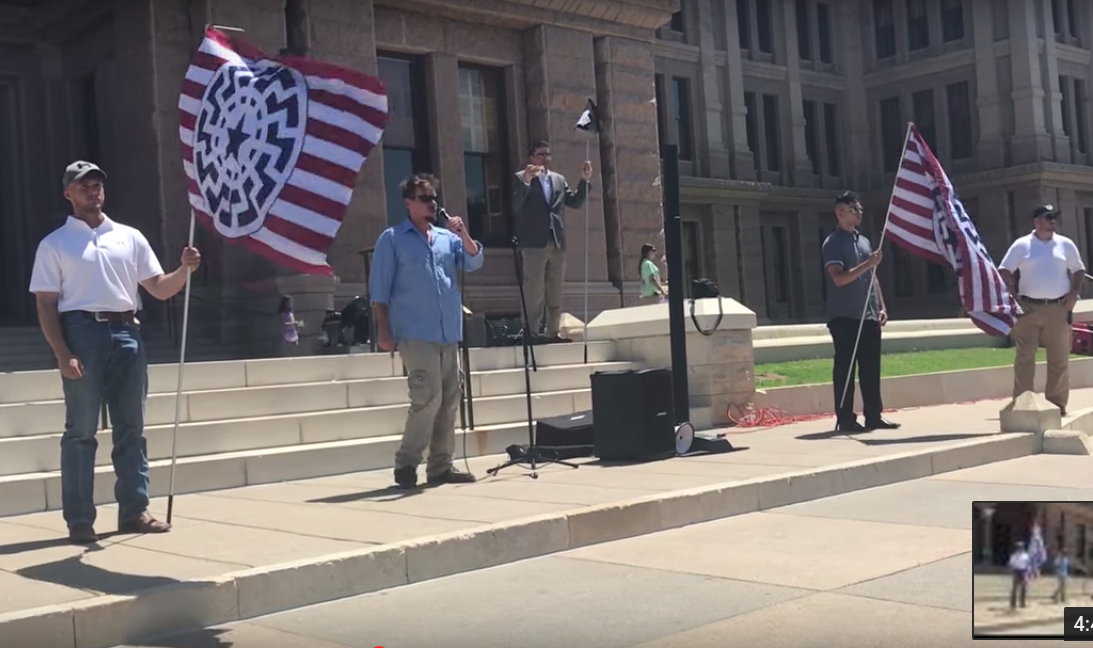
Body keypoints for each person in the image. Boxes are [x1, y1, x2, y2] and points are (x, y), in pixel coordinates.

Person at [28, 161, 201, 544]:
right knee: (80, 431)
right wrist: (61, 352)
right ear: (68, 194)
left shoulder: (129, 237)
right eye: (84, 185)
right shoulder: (55, 243)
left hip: (127, 331)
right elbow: (45, 303)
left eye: (97, 184)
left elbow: (157, 288)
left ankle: (135, 510)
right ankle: (79, 519)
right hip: (81, 332)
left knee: (132, 430)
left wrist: (184, 270)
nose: (93, 190)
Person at [369, 174, 485, 489]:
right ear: (408, 203)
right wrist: (384, 330)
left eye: (433, 198)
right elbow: (379, 290)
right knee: (427, 396)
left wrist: (463, 234)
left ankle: (441, 466)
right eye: (424, 198)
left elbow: (474, 261)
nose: (432, 203)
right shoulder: (392, 239)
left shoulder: (447, 239)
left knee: (449, 398)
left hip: (448, 330)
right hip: (415, 331)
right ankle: (407, 463)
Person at [820, 191, 900, 433]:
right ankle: (845, 418)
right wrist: (868, 264)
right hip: (845, 317)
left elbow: (872, 278)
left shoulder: (863, 241)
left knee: (871, 368)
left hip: (868, 316)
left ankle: (874, 416)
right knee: (845, 369)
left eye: (859, 208)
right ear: (840, 213)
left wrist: (881, 306)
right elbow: (839, 278)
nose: (859, 212)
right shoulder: (833, 243)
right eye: (854, 208)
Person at [999, 204, 1085, 416]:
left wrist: (1073, 293)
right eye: (1048, 217)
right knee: (1025, 357)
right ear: (1037, 221)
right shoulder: (1022, 245)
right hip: (1028, 308)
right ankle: (1022, 404)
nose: (1052, 221)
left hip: (1058, 307)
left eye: (1054, 217)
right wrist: (1010, 295)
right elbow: (1004, 269)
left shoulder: (1065, 244)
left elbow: (1079, 269)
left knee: (1059, 358)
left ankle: (1057, 405)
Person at [512, 140, 593, 341]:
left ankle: (553, 331)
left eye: (547, 154)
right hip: (533, 243)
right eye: (540, 154)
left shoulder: (558, 179)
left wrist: (584, 180)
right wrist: (527, 182)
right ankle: (531, 332)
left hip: (556, 241)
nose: (545, 159)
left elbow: (574, 201)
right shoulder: (520, 178)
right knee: (534, 290)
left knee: (555, 289)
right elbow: (516, 206)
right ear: (531, 157)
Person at [1009, 542, 1030, 610]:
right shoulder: (1014, 555)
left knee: (1024, 588)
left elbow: (1028, 564)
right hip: (1016, 571)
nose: (1020, 548)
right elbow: (1011, 564)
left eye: (1021, 547)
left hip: (1023, 571)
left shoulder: (1026, 555)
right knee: (1015, 588)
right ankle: (1013, 603)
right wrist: (1013, 572)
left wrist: (1028, 573)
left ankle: (1022, 603)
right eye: (1018, 547)